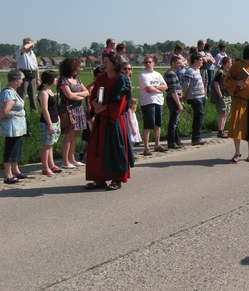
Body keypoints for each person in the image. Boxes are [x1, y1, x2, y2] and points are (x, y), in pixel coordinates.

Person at [85, 52, 133, 190]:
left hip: (114, 120)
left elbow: (121, 103)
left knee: (115, 149)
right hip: (101, 120)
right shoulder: (101, 78)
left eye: (107, 62)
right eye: (103, 61)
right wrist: (94, 104)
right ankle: (99, 179)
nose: (104, 64)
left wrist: (105, 108)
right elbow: (93, 96)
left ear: (114, 63)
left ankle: (116, 179)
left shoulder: (122, 80)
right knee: (98, 149)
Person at [0, 69, 29, 184]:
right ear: (15, 80)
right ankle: (8, 174)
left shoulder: (12, 91)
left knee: (16, 148)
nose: (21, 82)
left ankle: (16, 170)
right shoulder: (8, 92)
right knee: (11, 149)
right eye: (21, 80)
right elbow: (6, 109)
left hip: (17, 126)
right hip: (12, 126)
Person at [58, 57, 89, 169]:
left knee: (75, 134)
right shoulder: (63, 80)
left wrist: (78, 95)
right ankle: (65, 161)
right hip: (69, 110)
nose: (78, 69)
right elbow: (69, 95)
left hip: (78, 109)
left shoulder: (77, 80)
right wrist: (80, 95)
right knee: (69, 134)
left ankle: (72, 158)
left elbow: (87, 92)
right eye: (77, 66)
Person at [139, 56, 168, 155]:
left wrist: (156, 87)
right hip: (148, 102)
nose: (148, 64)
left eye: (149, 62)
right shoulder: (143, 75)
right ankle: (146, 147)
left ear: (153, 63)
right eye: (146, 62)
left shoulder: (158, 74)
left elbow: (165, 86)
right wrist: (159, 89)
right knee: (148, 125)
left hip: (159, 101)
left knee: (157, 124)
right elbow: (148, 89)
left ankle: (157, 145)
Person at [38, 70, 62, 176]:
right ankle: (45, 167)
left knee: (51, 144)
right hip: (47, 122)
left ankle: (51, 164)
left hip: (54, 120)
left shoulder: (50, 91)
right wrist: (50, 123)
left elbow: (54, 107)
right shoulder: (43, 92)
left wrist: (57, 118)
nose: (56, 79)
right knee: (46, 145)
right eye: (54, 77)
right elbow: (45, 109)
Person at [182, 54, 207, 145]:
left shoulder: (197, 70)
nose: (202, 61)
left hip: (201, 96)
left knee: (199, 117)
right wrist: (185, 95)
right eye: (200, 60)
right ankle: (196, 138)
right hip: (195, 97)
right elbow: (185, 85)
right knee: (200, 116)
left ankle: (196, 137)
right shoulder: (190, 71)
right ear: (195, 61)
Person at [164, 55, 185, 149]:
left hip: (175, 100)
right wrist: (179, 104)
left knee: (176, 121)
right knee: (174, 121)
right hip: (173, 100)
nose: (181, 65)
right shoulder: (171, 74)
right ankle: (172, 142)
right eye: (179, 63)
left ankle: (176, 140)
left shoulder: (173, 73)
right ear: (173, 63)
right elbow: (173, 91)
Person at [17, 37, 40, 113]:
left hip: (32, 75)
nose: (31, 46)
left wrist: (38, 78)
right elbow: (24, 48)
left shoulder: (33, 54)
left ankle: (34, 112)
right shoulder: (21, 52)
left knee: (33, 96)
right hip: (23, 75)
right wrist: (33, 42)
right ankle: (21, 112)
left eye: (31, 44)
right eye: (28, 44)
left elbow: (36, 67)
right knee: (22, 96)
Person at [212, 56, 232, 138]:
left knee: (226, 113)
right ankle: (220, 131)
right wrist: (220, 95)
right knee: (222, 113)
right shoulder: (220, 72)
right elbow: (216, 83)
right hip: (222, 95)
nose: (231, 64)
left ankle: (223, 129)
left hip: (227, 94)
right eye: (230, 62)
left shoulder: (226, 71)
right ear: (227, 63)